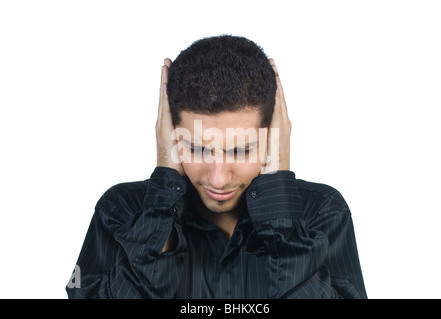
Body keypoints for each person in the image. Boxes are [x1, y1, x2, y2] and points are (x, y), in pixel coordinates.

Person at [66, 35, 367, 299]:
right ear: (169, 134)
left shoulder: (323, 212)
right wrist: (161, 207)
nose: (218, 178)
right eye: (196, 148)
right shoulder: (119, 210)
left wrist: (279, 196)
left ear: (273, 136)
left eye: (241, 150)